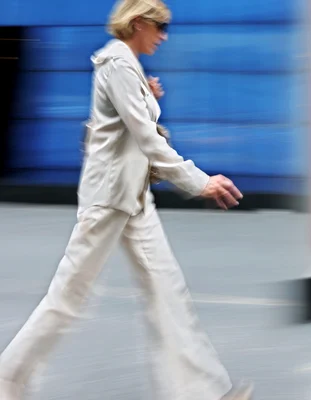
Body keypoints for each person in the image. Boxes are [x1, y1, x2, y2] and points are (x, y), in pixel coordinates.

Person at [0, 1, 252, 399]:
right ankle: (7, 379)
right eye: (160, 26)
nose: (164, 35)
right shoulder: (117, 64)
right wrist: (197, 181)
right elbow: (145, 138)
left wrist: (146, 95)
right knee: (69, 298)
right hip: (108, 201)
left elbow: (121, 125)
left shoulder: (127, 65)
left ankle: (202, 391)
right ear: (138, 23)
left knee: (167, 291)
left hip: (134, 198)